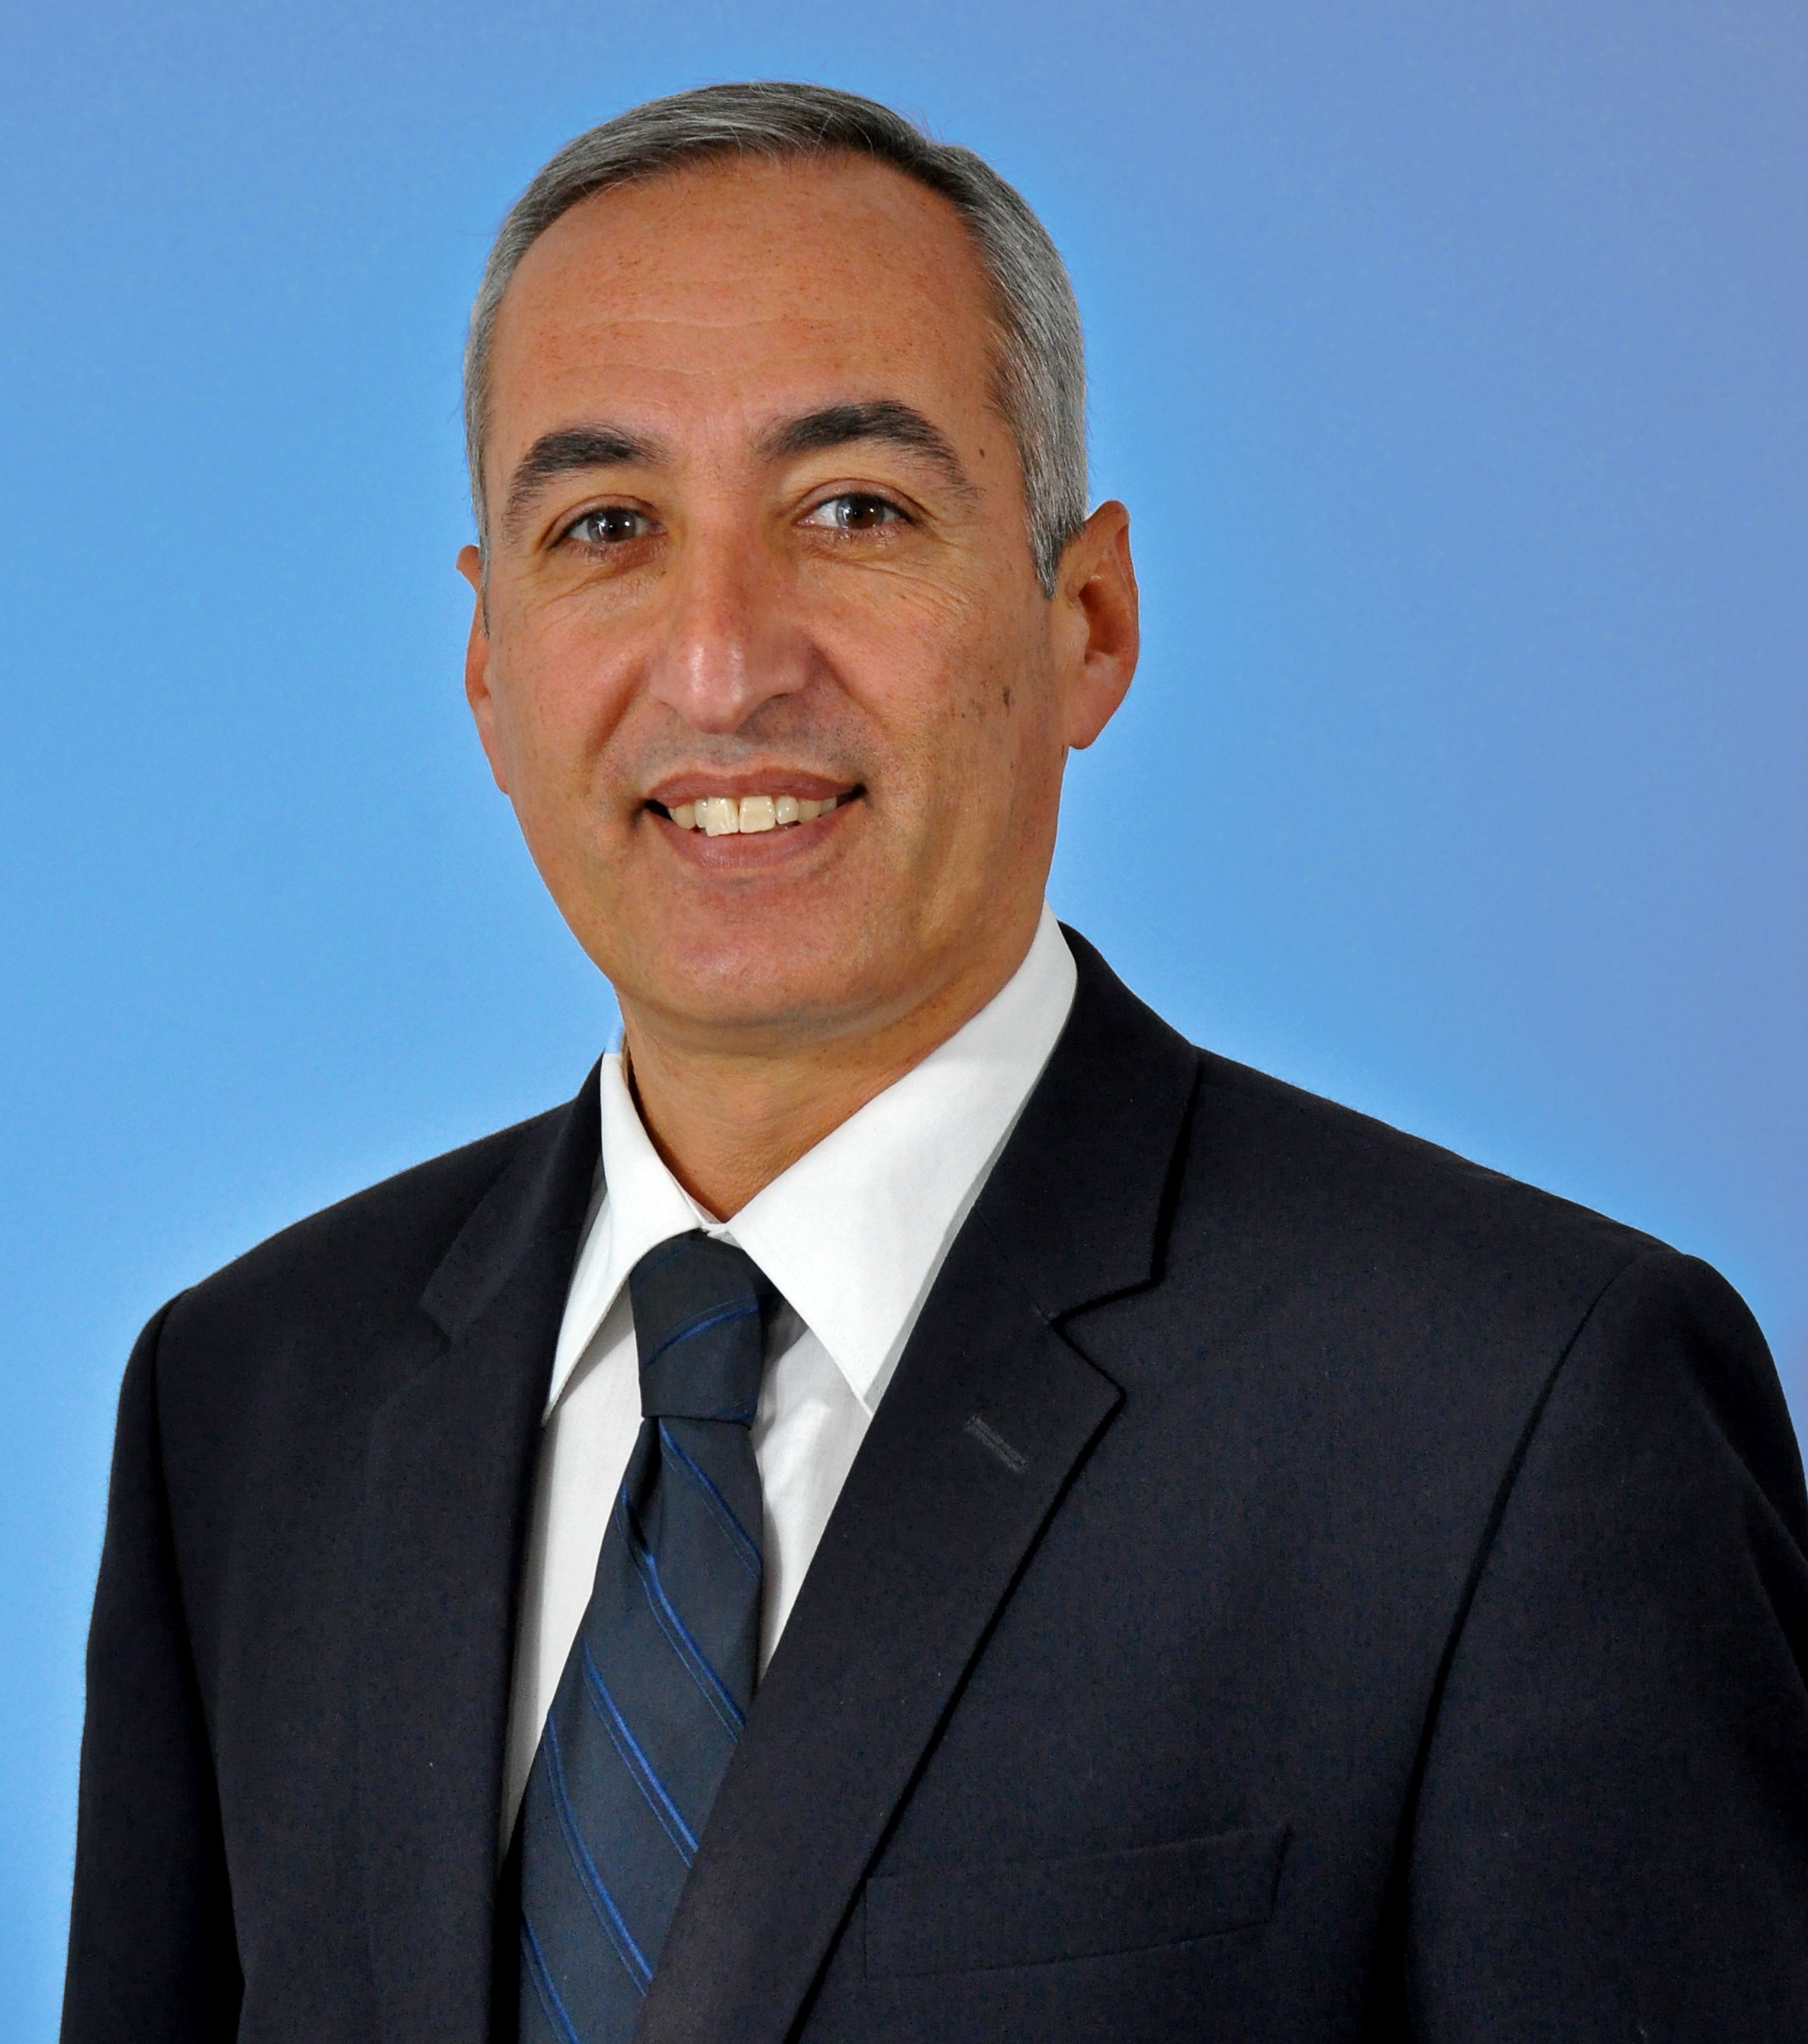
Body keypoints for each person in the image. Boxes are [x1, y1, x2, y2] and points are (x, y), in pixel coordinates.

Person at [61, 81, 1808, 2044]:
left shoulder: (1520, 1419)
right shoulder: (247, 1402)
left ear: (1087, 620)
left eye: (855, 511)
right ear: (488, 663)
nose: (722, 662)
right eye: (607, 527)